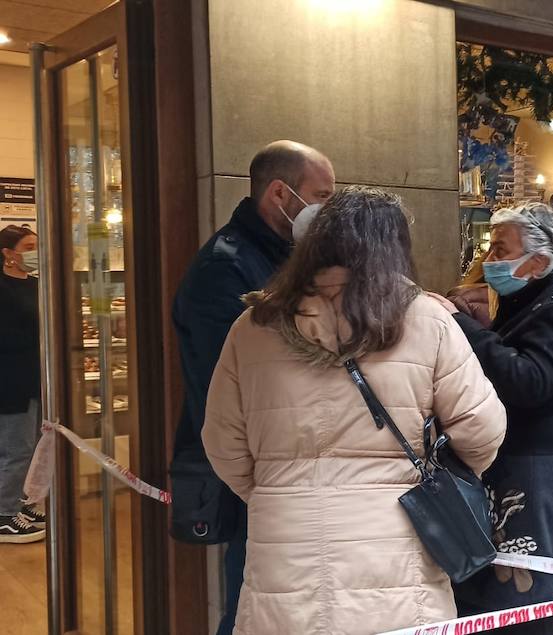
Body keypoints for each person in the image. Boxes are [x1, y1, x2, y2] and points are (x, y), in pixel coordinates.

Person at [201, 185, 507, 635]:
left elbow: (222, 442)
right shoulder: (425, 318)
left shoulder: (253, 326)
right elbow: (482, 430)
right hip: (396, 547)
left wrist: (281, 488)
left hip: (285, 546)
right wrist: (429, 476)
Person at [169, 140, 334, 635]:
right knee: (253, 607)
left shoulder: (292, 256)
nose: (328, 209)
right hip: (261, 475)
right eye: (321, 196)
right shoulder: (226, 268)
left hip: (295, 470)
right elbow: (234, 387)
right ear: (281, 194)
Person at [449, 202, 553, 634]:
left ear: (538, 261)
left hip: (544, 471)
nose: (490, 261)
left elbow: (532, 381)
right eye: (490, 249)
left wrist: (465, 329)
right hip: (519, 465)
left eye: (500, 250)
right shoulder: (526, 300)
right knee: (508, 595)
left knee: (537, 596)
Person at [0, 225, 44, 543]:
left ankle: (19, 504)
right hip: (9, 381)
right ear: (8, 253)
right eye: (28, 246)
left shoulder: (37, 285)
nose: (34, 253)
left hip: (34, 379)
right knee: (16, 449)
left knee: (29, 447)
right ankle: (4, 515)